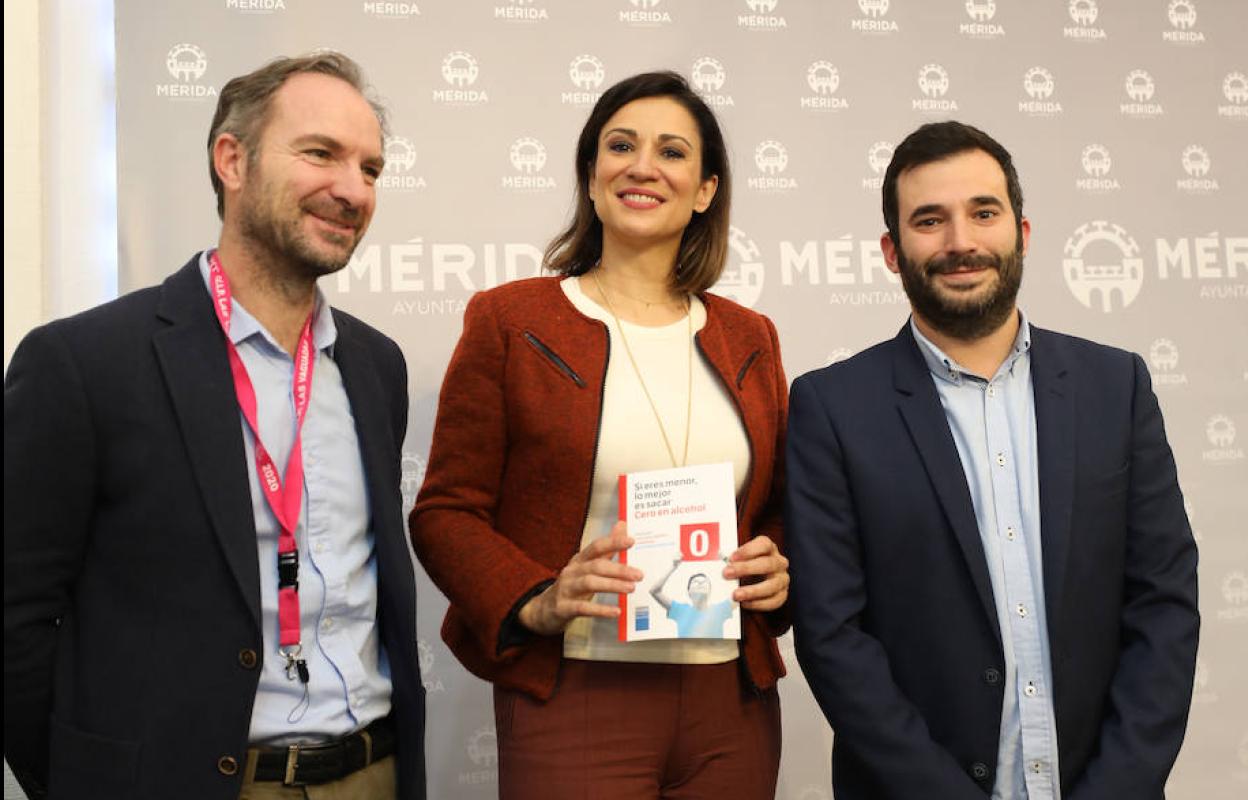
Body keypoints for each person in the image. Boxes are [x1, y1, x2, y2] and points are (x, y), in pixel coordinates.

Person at [4, 53, 425, 800]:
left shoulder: (375, 366)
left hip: (372, 776)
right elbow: (17, 614)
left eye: (371, 168)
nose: (352, 189)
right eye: (320, 154)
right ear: (231, 159)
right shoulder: (84, 363)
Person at [786, 120, 1199, 799]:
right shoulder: (832, 408)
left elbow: (1164, 602)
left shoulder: (1115, 387)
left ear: (1023, 233)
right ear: (892, 251)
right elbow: (833, 637)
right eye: (929, 220)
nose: (960, 242)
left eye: (983, 212)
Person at [410, 71, 789, 800]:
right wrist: (536, 598)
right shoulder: (511, 320)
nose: (643, 166)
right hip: (575, 692)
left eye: (672, 152)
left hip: (729, 705)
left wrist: (783, 569)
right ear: (591, 177)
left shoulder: (752, 336)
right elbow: (445, 511)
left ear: (706, 189)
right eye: (621, 145)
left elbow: (778, 509)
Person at [650, 556, 735, 638]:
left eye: (704, 582)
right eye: (695, 582)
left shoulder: (719, 610)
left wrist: (725, 559)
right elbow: (654, 591)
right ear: (688, 592)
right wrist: (674, 566)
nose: (700, 583)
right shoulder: (681, 610)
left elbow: (739, 594)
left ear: (710, 591)